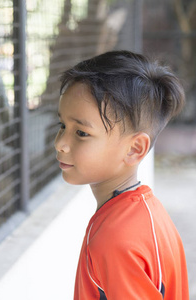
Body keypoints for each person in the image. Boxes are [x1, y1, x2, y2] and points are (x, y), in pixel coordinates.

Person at [54, 50, 189, 299]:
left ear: (134, 149)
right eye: (62, 125)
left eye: (81, 133)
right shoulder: (143, 212)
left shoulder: (115, 239)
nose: (60, 143)